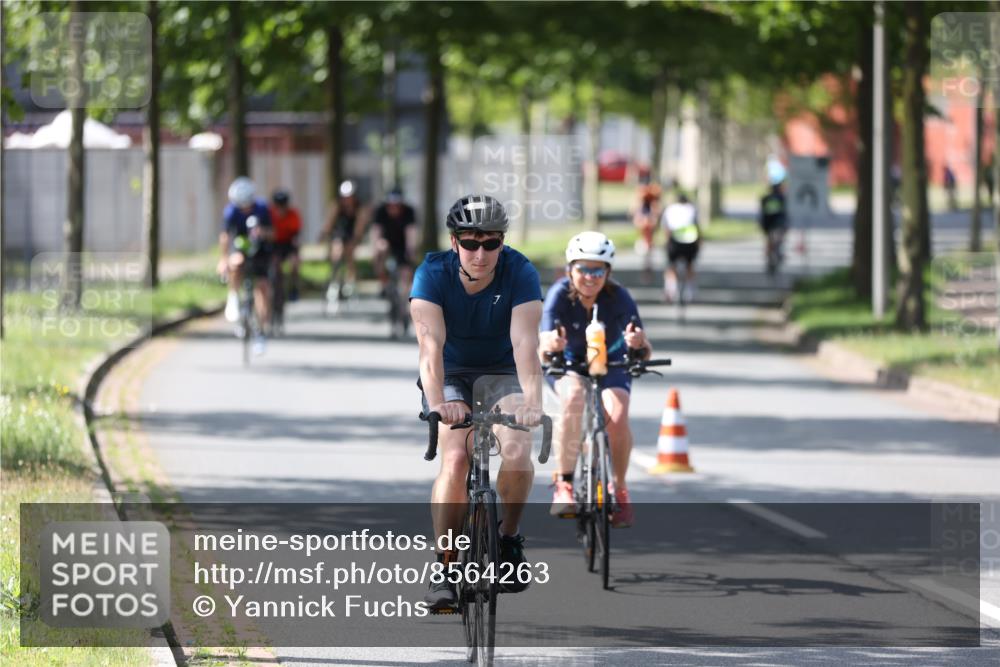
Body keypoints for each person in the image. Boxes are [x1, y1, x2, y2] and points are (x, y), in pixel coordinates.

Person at [410, 194, 545, 611]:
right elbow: (430, 348)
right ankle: (445, 567)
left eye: (490, 243)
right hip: (451, 375)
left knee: (518, 449)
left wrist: (533, 402)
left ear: (502, 243)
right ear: (455, 243)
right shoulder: (432, 273)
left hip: (502, 373)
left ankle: (507, 540)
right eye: (470, 243)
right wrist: (438, 403)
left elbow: (525, 343)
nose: (480, 253)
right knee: (455, 458)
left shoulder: (520, 271)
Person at [538, 231, 652, 528]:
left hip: (612, 362)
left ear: (608, 272)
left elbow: (645, 349)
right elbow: (544, 340)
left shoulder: (619, 297)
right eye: (583, 269)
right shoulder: (559, 295)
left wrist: (638, 343)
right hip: (570, 363)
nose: (590, 276)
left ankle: (619, 487)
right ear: (569, 270)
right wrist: (551, 344)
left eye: (598, 270)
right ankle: (563, 484)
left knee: (617, 414)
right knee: (573, 398)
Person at [218, 177, 272, 355]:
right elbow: (225, 236)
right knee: (235, 263)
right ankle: (233, 297)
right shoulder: (231, 212)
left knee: (262, 289)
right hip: (241, 247)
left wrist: (262, 232)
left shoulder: (262, 209)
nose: (244, 209)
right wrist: (223, 259)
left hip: (261, 250)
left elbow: (273, 233)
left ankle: (261, 332)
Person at [321, 180, 370, 301]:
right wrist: (325, 233)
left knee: (350, 254)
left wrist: (356, 238)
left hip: (352, 233)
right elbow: (330, 222)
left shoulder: (359, 207)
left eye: (349, 197)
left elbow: (360, 225)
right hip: (339, 232)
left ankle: (351, 283)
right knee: (336, 253)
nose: (347, 199)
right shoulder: (337, 205)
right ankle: (334, 282)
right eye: (345, 197)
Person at [372, 186, 418, 296]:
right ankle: (384, 284)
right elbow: (376, 231)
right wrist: (376, 247)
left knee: (406, 272)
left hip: (402, 244)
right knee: (380, 248)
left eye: (397, 205)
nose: (394, 208)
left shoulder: (409, 211)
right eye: (391, 205)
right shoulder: (380, 211)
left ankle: (404, 298)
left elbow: (411, 232)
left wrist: (411, 249)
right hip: (386, 243)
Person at [661, 191, 701, 303]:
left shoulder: (670, 209)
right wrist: (699, 242)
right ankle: (690, 292)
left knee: (670, 266)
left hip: (675, 241)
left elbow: (666, 229)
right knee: (690, 265)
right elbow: (697, 227)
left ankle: (671, 290)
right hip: (690, 240)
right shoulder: (692, 209)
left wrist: (666, 243)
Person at [269, 189, 302, 302]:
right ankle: (276, 288)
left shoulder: (293, 214)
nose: (281, 208)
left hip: (288, 243)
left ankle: (293, 287)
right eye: (278, 205)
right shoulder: (270, 214)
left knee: (294, 264)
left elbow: (296, 233)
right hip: (275, 244)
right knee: (275, 265)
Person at [630, 176, 662, 278]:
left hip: (648, 224)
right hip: (644, 224)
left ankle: (648, 268)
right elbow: (635, 212)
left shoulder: (653, 196)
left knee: (648, 249)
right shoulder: (641, 197)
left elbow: (656, 211)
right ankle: (647, 268)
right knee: (646, 249)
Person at [759, 179, 788, 273]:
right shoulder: (782, 198)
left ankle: (770, 254)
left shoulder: (765, 198)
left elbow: (763, 212)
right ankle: (777, 254)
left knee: (770, 241)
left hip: (767, 224)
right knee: (778, 240)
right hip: (777, 224)